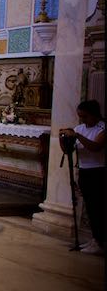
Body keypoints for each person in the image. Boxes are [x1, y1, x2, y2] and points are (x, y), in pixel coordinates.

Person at [59, 99, 105, 255]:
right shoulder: (80, 128)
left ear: (94, 114)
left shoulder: (102, 128)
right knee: (91, 208)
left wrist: (77, 135)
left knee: (99, 208)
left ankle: (100, 241)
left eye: (85, 116)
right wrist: (63, 138)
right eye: (80, 116)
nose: (82, 120)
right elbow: (68, 151)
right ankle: (96, 239)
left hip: (99, 172)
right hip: (84, 172)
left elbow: (95, 147)